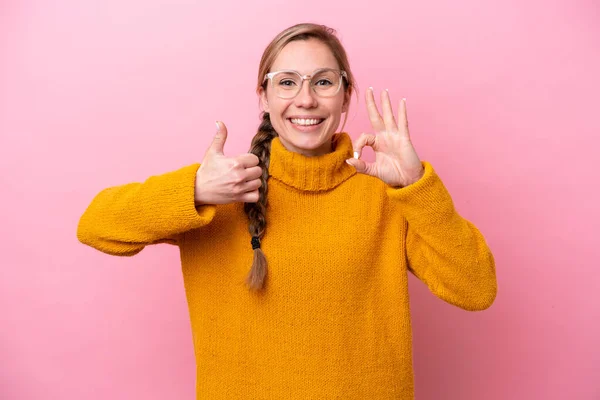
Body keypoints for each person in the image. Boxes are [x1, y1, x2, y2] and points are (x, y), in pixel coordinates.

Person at [77, 22, 497, 400]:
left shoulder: (387, 192)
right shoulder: (224, 186)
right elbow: (95, 226)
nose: (306, 99)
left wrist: (415, 187)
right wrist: (195, 191)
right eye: (287, 82)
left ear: (346, 93)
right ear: (263, 94)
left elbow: (476, 289)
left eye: (324, 82)